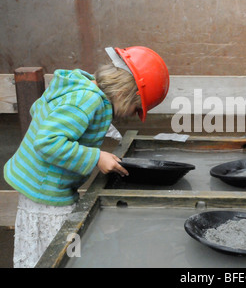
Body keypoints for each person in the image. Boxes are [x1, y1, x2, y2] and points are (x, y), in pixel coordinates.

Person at [4, 46, 170, 268]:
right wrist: (96, 157)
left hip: (41, 187)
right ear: (125, 93)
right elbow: (47, 142)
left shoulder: (83, 89)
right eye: (135, 108)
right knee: (63, 253)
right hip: (47, 193)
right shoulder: (87, 100)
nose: (133, 114)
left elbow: (45, 113)